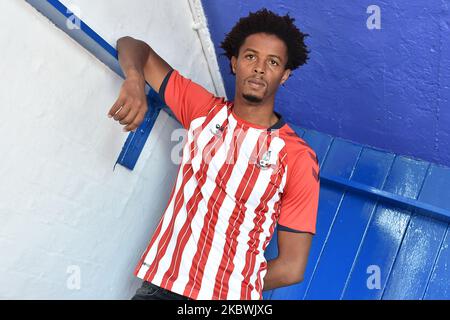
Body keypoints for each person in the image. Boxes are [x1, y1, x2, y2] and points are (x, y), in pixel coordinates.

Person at [108, 8, 320, 300]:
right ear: (234, 63)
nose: (259, 68)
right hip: (160, 287)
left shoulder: (297, 156)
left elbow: (292, 267)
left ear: (284, 75)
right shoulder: (202, 110)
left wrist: (229, 285)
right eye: (250, 56)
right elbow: (133, 46)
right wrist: (134, 80)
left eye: (272, 62)